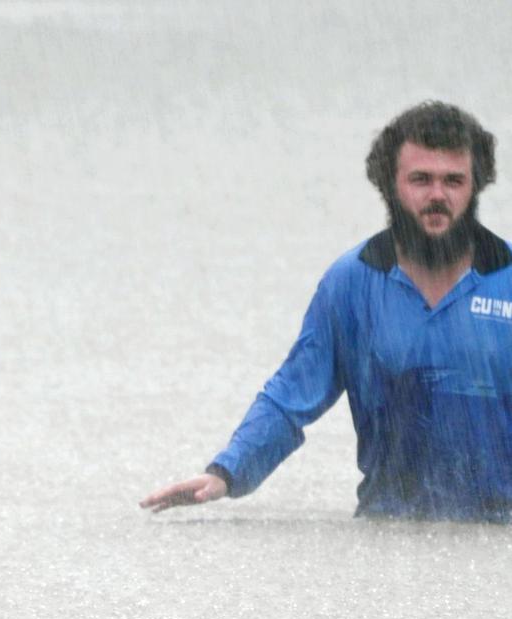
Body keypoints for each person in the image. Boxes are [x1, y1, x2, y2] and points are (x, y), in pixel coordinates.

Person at [141, 101, 512, 522]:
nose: (438, 196)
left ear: (476, 185)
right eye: (421, 180)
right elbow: (290, 396)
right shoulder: (351, 283)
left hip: (502, 544)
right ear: (390, 185)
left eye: (454, 181)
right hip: (388, 534)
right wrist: (227, 472)